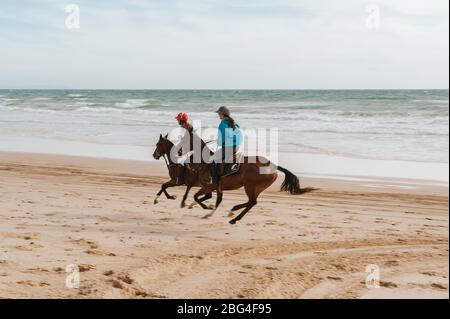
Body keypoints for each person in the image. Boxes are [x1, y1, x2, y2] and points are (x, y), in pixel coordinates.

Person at [209, 106, 244, 185]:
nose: (218, 115)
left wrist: (219, 142)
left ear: (223, 114)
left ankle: (215, 182)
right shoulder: (234, 123)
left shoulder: (223, 123)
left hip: (229, 147)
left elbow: (222, 138)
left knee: (211, 159)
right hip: (236, 146)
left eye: (219, 113)